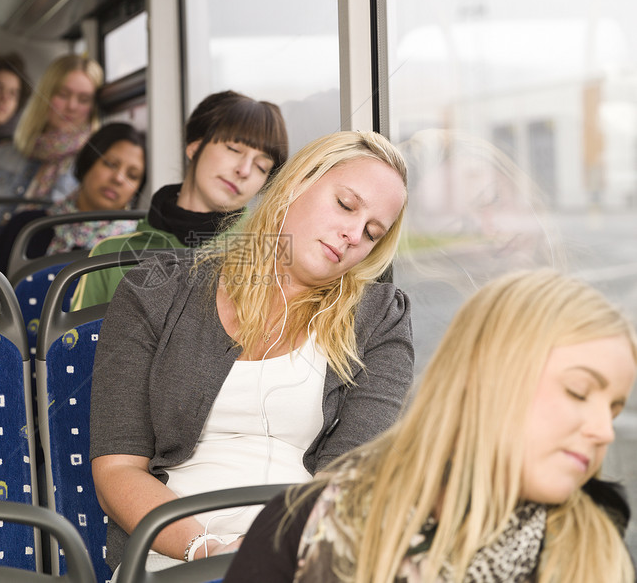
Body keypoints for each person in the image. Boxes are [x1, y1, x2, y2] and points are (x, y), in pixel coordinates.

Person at [90, 130, 414, 575]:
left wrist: (275, 552)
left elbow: (348, 479)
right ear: (298, 182)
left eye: (373, 233)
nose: (353, 234)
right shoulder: (156, 292)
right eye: (345, 205)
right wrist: (208, 548)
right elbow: (118, 470)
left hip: (305, 549)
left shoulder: (380, 317)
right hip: (173, 547)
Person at [224, 268, 637, 583]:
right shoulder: (301, 527)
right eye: (579, 392)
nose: (604, 431)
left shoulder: (598, 555)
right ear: (485, 379)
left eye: (614, 409)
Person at [69, 89, 289, 310]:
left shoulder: (265, 259)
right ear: (195, 146)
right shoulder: (110, 254)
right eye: (233, 149)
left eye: (261, 167)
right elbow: (78, 343)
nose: (244, 170)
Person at [0, 53, 104, 228]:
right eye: (62, 94)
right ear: (44, 96)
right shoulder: (1, 156)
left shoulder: (97, 163)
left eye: (83, 99)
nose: (71, 106)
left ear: (93, 108)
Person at [0, 122, 148, 271]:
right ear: (88, 162)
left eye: (132, 175)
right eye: (110, 164)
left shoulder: (141, 249)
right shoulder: (26, 229)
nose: (118, 179)